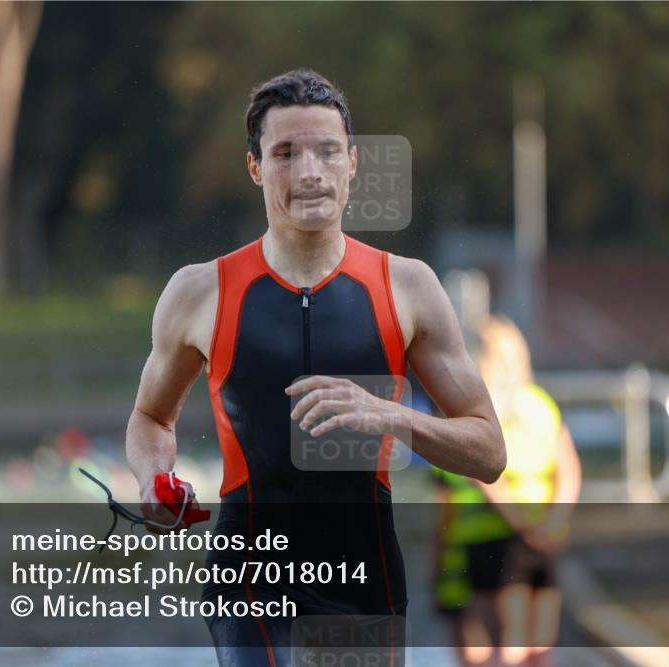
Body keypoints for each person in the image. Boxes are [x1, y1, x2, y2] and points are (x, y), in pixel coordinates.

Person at [125, 69, 506, 667]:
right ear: (255, 167)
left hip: (364, 579)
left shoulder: (407, 287)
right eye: (285, 154)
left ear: (352, 163)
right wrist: (154, 480)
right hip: (248, 577)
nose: (309, 172)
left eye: (327, 151)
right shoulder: (200, 292)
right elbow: (151, 418)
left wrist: (388, 415)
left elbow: (489, 452)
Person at [432, 315, 582, 667]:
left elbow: (485, 479)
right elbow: (568, 467)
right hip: (542, 535)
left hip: (490, 540)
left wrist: (524, 525)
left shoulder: (473, 411)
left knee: (499, 647)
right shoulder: (540, 403)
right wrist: (553, 522)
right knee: (538, 647)